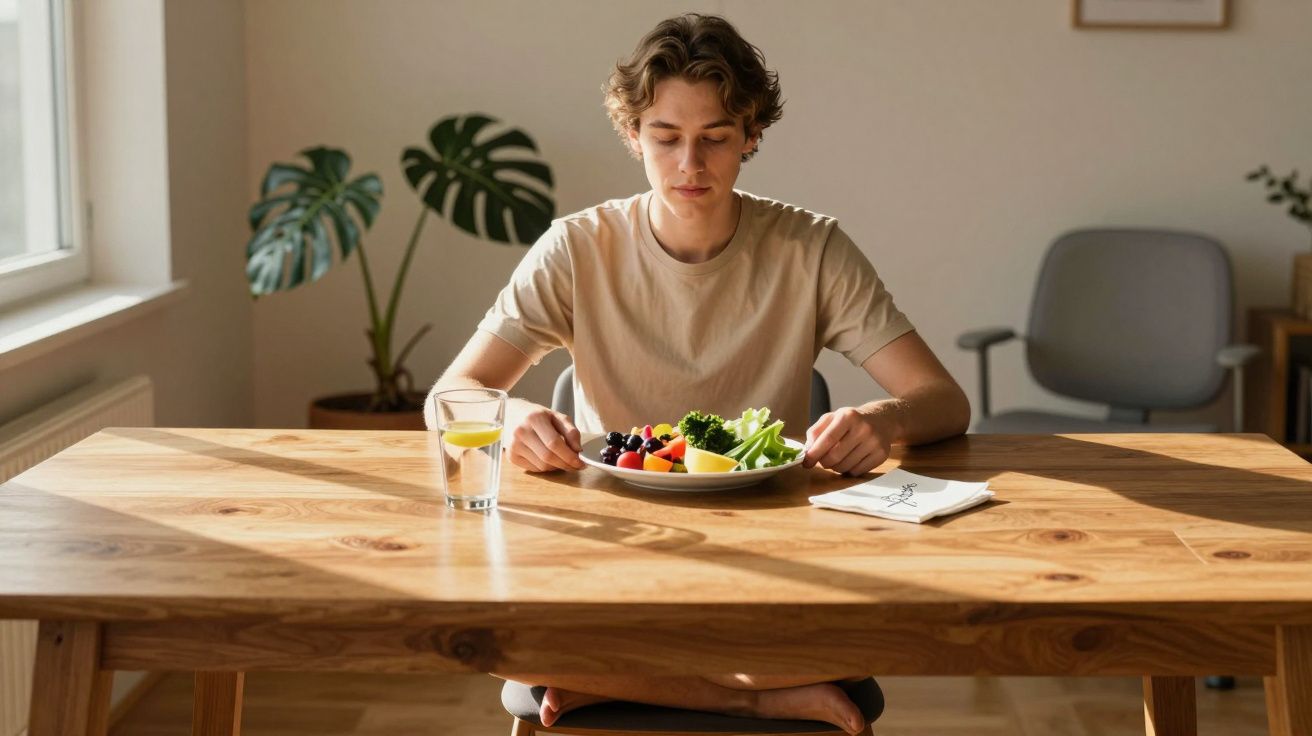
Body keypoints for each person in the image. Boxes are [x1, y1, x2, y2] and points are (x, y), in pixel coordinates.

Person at [426, 13, 970, 735]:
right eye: (666, 138)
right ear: (632, 137)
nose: (691, 165)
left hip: (774, 557)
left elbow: (943, 400)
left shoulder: (812, 249)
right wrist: (514, 416)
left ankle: (615, 682)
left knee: (884, 632)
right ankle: (751, 695)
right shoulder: (576, 248)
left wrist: (883, 421)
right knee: (483, 635)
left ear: (751, 136)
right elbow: (451, 395)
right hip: (606, 550)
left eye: (715, 138)